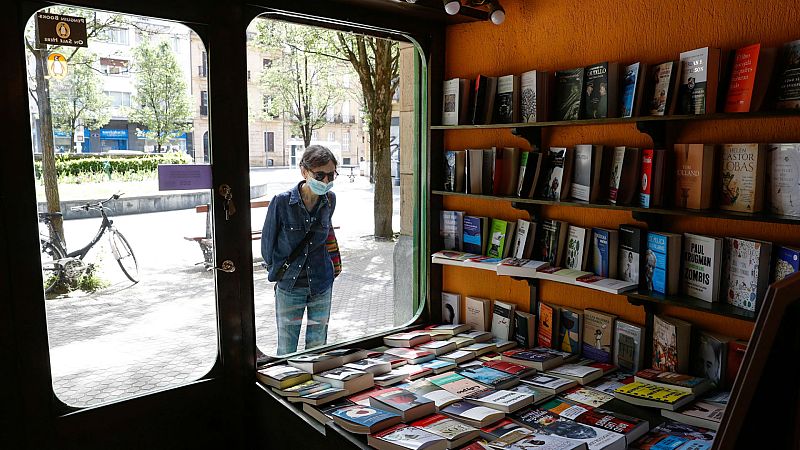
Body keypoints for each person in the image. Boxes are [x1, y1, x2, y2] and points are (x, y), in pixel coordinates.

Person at [262, 145, 339, 355]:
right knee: (287, 348)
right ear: (304, 171)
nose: (326, 181)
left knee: (317, 347)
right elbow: (267, 247)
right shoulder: (281, 202)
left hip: (321, 283)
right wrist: (279, 271)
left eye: (331, 175)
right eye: (320, 175)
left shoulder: (330, 200)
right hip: (290, 285)